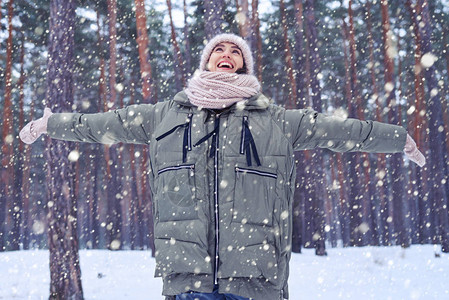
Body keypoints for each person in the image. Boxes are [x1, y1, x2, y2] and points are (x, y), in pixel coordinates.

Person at [20, 33, 425, 300]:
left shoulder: (277, 120)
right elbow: (101, 124)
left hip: (254, 278)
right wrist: (50, 124)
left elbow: (339, 130)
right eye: (219, 49)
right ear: (207, 61)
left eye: (235, 52)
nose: (226, 55)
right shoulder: (165, 115)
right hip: (187, 277)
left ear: (244, 67)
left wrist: (395, 137)